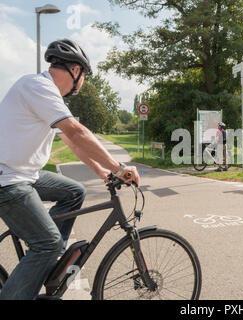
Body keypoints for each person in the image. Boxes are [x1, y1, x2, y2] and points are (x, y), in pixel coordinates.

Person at [0, 39, 140, 300]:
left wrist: (102, 172)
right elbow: (77, 132)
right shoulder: (37, 86)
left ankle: (47, 260)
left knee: (74, 191)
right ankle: (45, 250)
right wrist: (119, 168)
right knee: (48, 243)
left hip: (24, 174)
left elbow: (71, 141)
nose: (84, 81)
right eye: (85, 75)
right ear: (76, 71)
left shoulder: (46, 94)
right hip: (8, 181)